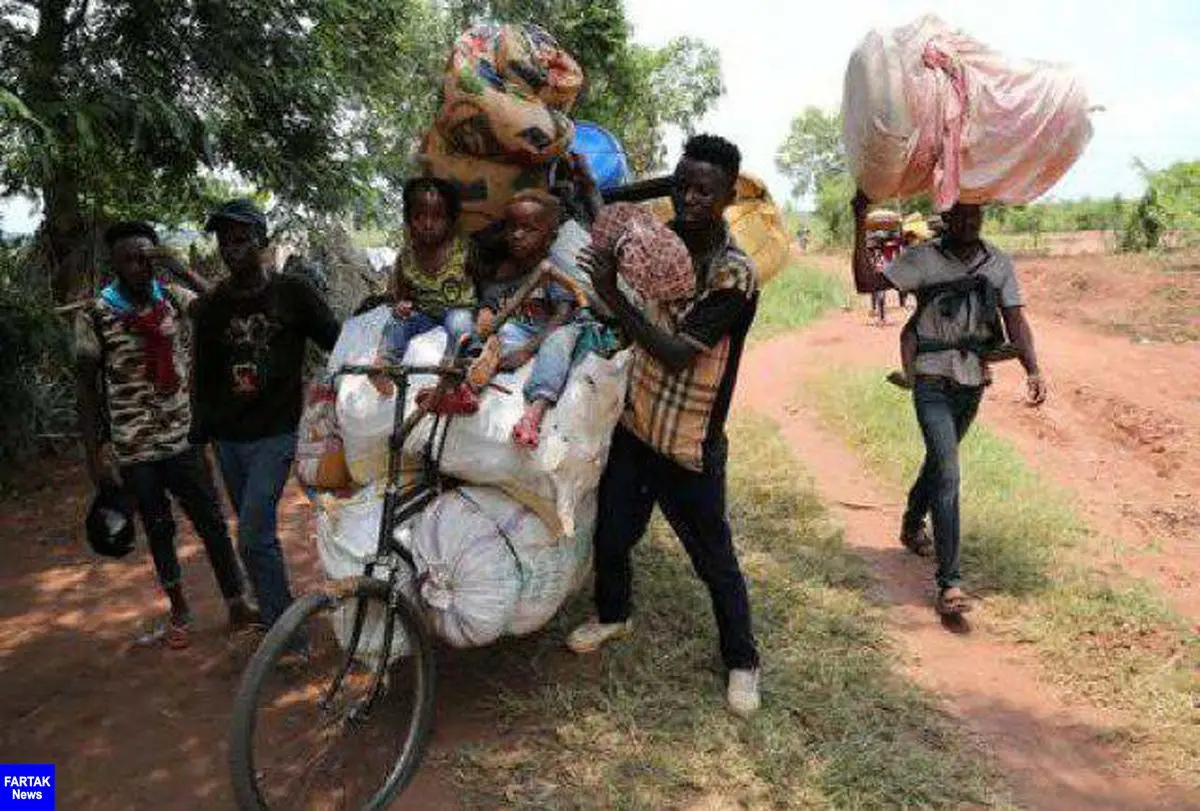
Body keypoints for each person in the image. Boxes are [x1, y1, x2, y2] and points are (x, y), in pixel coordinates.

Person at [573, 134, 762, 717]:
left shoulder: (734, 275)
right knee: (611, 535)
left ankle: (743, 662)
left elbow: (676, 352)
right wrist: (585, 186)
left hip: (688, 442)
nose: (689, 198)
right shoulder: (666, 244)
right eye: (681, 185)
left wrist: (609, 291)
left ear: (730, 195)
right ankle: (614, 615)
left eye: (705, 189)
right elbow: (610, 221)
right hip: (638, 426)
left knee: (714, 560)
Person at [851, 191, 1047, 617]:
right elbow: (867, 284)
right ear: (945, 218)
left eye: (975, 217)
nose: (968, 224)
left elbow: (1015, 319)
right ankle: (950, 583)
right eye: (959, 217)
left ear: (982, 218)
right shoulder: (922, 259)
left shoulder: (998, 263)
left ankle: (910, 522)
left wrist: (1033, 369)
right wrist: (858, 218)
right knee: (949, 470)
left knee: (941, 461)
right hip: (930, 376)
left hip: (973, 378)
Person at [74, 221, 255, 649]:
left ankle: (236, 602)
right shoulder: (96, 314)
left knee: (211, 521)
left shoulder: (171, 297)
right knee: (158, 528)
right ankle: (178, 608)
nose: (142, 266)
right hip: (134, 446)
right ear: (114, 265)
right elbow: (84, 390)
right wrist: (94, 456)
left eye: (148, 257)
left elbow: (222, 308)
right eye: (132, 259)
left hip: (182, 437)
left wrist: (177, 269)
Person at [192, 199, 340, 641]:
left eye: (240, 240)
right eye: (224, 241)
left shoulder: (292, 294)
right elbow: (203, 375)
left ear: (262, 242)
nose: (230, 249)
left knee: (252, 535)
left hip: (276, 434)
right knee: (256, 538)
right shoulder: (213, 306)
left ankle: (286, 637)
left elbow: (337, 339)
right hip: (229, 440)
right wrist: (200, 436)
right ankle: (278, 619)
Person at [474, 190, 584, 448]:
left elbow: (562, 314)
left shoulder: (553, 267)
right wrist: (485, 314)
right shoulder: (504, 269)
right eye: (512, 227)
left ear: (551, 237)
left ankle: (534, 413)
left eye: (529, 229)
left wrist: (527, 351)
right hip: (519, 328)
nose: (517, 235)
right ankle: (473, 382)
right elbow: (490, 305)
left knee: (557, 343)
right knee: (502, 336)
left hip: (551, 329)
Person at [355, 178, 476, 365]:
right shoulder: (407, 256)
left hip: (456, 309)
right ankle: (385, 363)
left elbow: (484, 279)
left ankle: (452, 364)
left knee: (461, 324)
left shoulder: (463, 250)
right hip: (424, 312)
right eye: (419, 217)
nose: (428, 224)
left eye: (437, 217)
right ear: (409, 220)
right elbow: (401, 291)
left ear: (450, 220)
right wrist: (401, 304)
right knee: (398, 321)